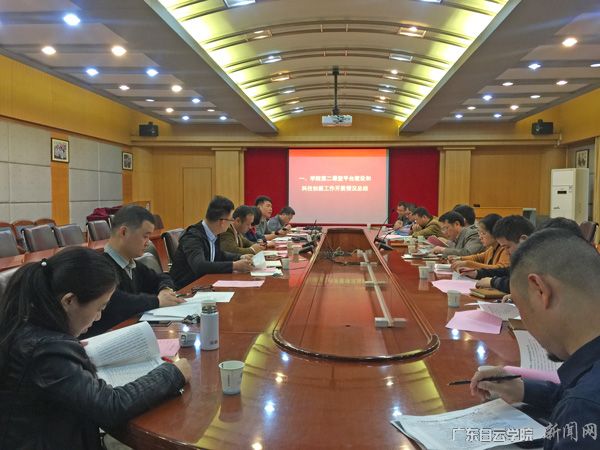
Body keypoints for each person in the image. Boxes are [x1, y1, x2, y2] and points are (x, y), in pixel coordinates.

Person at [0, 247, 191, 449]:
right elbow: (110, 406)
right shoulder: (46, 351)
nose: (99, 317)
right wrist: (172, 373)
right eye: (99, 307)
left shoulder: (24, 324)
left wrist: (69, 350)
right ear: (69, 301)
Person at [470, 229, 600, 449]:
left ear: (540, 290)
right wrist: (523, 389)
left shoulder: (583, 410)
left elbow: (582, 400)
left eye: (521, 309)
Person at [83, 205, 185, 338]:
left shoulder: (132, 265)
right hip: (106, 339)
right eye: (145, 236)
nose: (148, 243)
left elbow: (161, 277)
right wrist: (157, 301)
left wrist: (165, 289)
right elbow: (118, 302)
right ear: (124, 232)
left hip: (130, 334)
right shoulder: (98, 268)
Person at [170, 196, 254, 289]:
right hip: (185, 289)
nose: (231, 223)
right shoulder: (193, 237)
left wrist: (240, 257)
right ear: (222, 222)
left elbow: (218, 255)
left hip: (204, 285)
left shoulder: (213, 232)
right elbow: (200, 266)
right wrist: (234, 266)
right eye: (231, 220)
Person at [464, 215, 534, 292]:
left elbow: (522, 284)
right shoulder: (524, 260)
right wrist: (477, 273)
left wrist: (492, 282)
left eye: (507, 247)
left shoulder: (538, 260)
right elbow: (507, 271)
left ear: (523, 240)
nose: (506, 252)